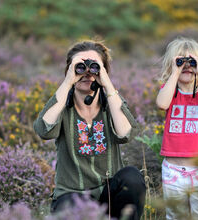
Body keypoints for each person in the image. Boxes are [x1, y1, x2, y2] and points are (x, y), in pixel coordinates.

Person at [33, 40, 146, 220]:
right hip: (71, 195)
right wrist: (68, 82)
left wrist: (108, 86)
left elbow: (126, 133)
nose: (87, 72)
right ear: (69, 70)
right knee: (72, 208)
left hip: (109, 192)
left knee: (132, 177)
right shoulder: (63, 105)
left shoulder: (111, 103)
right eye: (79, 66)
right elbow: (43, 130)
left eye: (94, 67)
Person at [156, 37, 198, 220]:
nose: (186, 66)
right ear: (172, 64)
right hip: (173, 169)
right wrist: (174, 74)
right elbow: (161, 103)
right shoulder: (170, 90)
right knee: (175, 216)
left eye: (191, 62)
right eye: (180, 61)